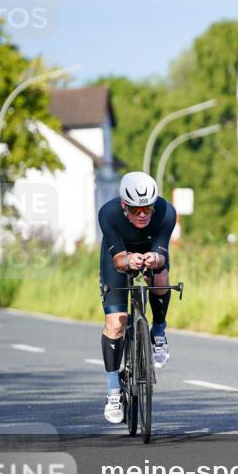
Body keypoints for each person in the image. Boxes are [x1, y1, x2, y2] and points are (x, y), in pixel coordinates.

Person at [97, 172, 176, 424]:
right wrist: (128, 259)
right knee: (116, 322)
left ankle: (159, 331)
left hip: (151, 250)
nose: (142, 214)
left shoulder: (166, 213)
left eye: (147, 208)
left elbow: (162, 252)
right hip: (118, 257)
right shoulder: (108, 214)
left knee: (160, 277)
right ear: (124, 206)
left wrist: (155, 259)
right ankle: (113, 392)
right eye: (135, 209)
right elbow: (119, 260)